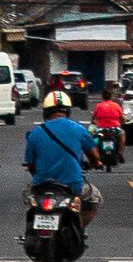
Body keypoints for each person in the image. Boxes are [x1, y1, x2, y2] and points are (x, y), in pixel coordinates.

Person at [23, 91, 99, 224]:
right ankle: (79, 229)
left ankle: (31, 230)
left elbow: (31, 164)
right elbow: (94, 157)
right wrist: (95, 163)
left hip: (41, 185)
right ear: (68, 111)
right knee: (95, 199)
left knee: (28, 199)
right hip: (73, 185)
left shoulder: (35, 133)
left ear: (46, 111)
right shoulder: (79, 129)